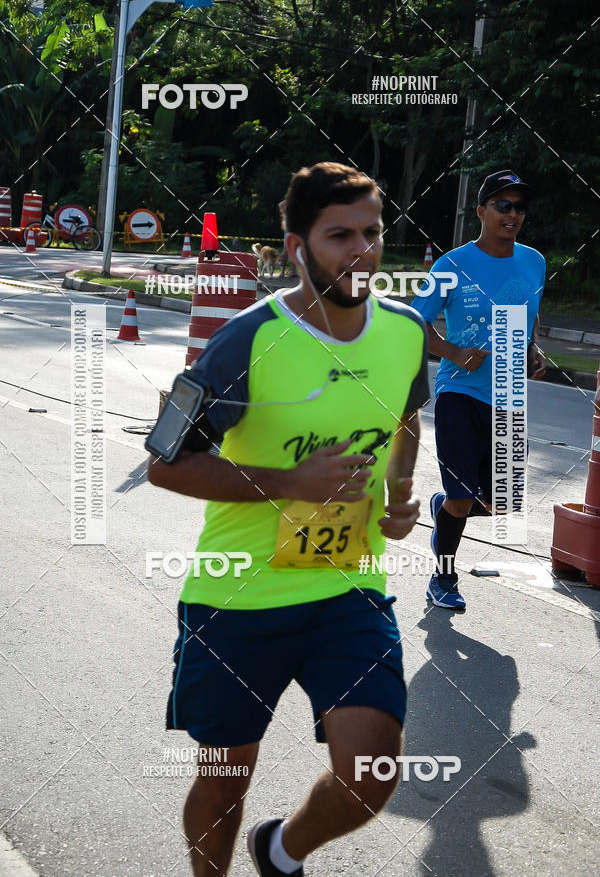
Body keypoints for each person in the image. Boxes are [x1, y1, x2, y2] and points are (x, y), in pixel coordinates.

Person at [147, 161, 430, 877]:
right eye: (339, 236)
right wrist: (289, 482)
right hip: (235, 597)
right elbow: (165, 464)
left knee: (371, 776)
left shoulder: (405, 331)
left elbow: (404, 418)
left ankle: (280, 851)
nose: (361, 252)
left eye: (372, 233)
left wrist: (399, 495)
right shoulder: (243, 342)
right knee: (223, 778)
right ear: (296, 245)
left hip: (347, 591)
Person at [411, 169, 546, 611]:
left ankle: (444, 506)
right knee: (464, 496)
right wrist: (451, 350)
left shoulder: (534, 262)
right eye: (503, 205)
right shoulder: (451, 264)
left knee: (502, 505)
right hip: (459, 394)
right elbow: (415, 322)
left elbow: (529, 313)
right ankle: (443, 579)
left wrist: (531, 349)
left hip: (507, 393)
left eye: (519, 207)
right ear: (481, 211)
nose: (513, 214)